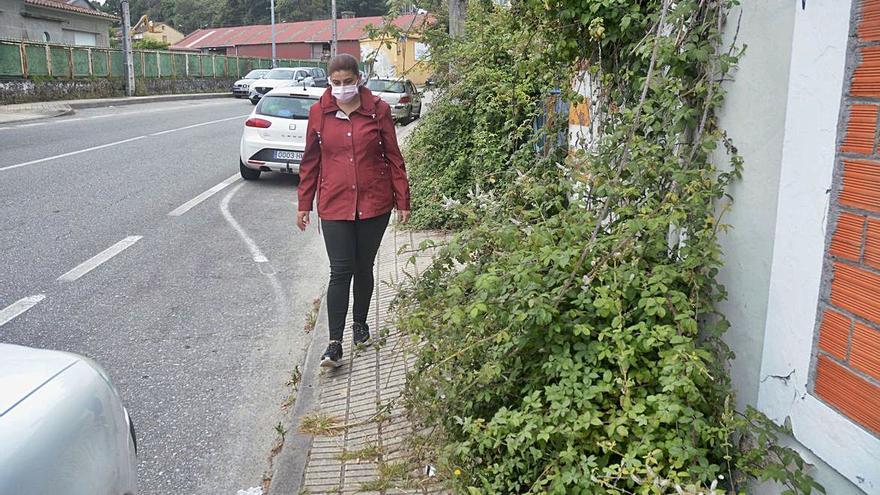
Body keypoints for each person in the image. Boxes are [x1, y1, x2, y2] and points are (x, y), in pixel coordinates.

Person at [296, 54, 411, 368]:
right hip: (335, 204)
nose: (342, 88)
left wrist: (403, 200)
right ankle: (334, 344)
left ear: (359, 79)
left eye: (348, 82)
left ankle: (360, 324)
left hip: (375, 203)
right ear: (329, 81)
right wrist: (304, 204)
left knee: (364, 267)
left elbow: (393, 157)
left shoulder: (379, 110)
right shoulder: (319, 112)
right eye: (336, 83)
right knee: (340, 271)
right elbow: (310, 162)